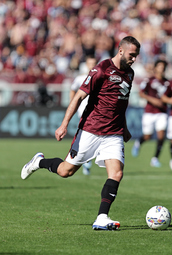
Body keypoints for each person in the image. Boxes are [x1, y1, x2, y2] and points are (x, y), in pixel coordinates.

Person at [21, 36, 141, 231]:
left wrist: (124, 127)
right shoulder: (101, 69)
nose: (134, 59)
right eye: (132, 55)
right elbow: (79, 96)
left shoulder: (130, 74)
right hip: (91, 130)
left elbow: (120, 104)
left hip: (113, 133)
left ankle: (102, 217)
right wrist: (64, 124)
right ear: (121, 51)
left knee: (117, 173)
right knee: (65, 171)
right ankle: (39, 161)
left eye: (136, 56)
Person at [131, 59, 170, 167]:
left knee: (161, 137)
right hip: (149, 112)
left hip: (161, 112)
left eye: (163, 68)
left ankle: (155, 159)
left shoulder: (167, 82)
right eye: (160, 67)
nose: (161, 70)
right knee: (147, 136)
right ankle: (139, 143)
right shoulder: (149, 80)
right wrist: (153, 100)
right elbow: (141, 93)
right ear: (156, 68)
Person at [69, 55, 97, 175]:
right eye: (90, 63)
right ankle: (84, 160)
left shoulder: (100, 77)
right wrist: (73, 103)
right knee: (87, 133)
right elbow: (73, 89)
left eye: (94, 63)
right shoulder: (80, 78)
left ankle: (84, 159)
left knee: (90, 134)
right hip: (83, 110)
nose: (92, 65)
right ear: (86, 64)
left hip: (96, 110)